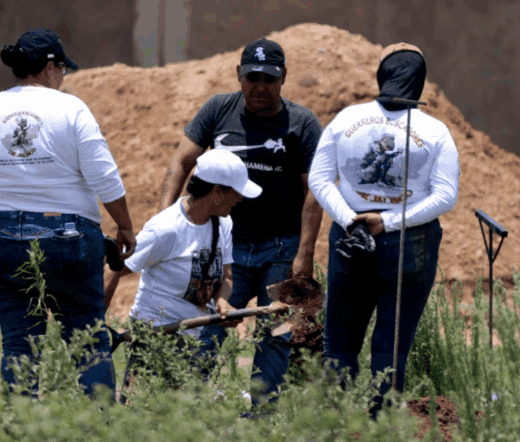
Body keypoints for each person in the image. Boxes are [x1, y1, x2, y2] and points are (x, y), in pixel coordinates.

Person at [0, 28, 136, 398]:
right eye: (62, 69)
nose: (63, 77)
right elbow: (103, 176)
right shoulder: (71, 109)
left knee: (19, 343)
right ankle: (101, 424)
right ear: (50, 66)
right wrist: (124, 226)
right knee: (88, 340)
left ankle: (20, 426)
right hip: (67, 239)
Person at [158, 38, 323, 407]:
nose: (259, 86)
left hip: (280, 249)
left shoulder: (303, 123)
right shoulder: (218, 109)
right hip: (218, 248)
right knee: (205, 326)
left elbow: (314, 191)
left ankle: (263, 415)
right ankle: (189, 409)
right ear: (238, 75)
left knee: (276, 332)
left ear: (283, 77)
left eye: (269, 79)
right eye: (252, 78)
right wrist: (165, 221)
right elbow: (181, 161)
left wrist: (305, 253)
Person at [308, 42, 460, 416]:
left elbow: (319, 179)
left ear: (381, 75)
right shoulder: (436, 131)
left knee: (339, 342)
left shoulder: (345, 119)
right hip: (409, 243)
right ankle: (382, 426)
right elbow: (445, 196)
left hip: (350, 238)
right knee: (391, 346)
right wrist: (388, 222)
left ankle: (336, 425)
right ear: (420, 81)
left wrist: (351, 220)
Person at [103, 149, 261, 399]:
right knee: (146, 409)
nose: (241, 198)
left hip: (194, 337)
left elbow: (227, 275)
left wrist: (222, 302)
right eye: (236, 191)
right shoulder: (166, 229)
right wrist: (94, 324)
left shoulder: (223, 223)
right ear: (217, 192)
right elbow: (114, 268)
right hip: (156, 335)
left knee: (184, 414)